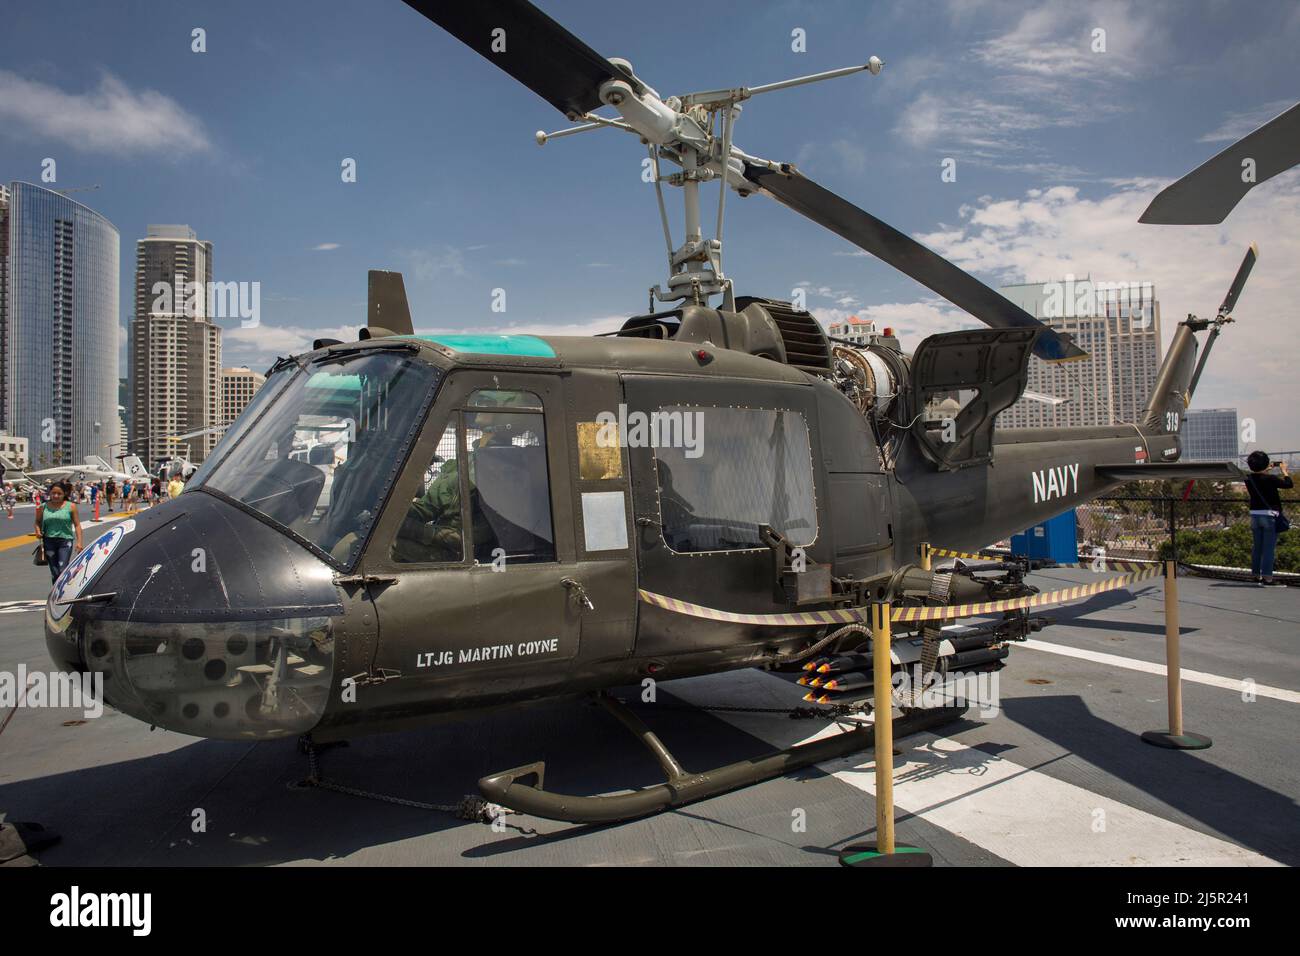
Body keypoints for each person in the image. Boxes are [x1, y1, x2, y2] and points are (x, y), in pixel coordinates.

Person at [1244, 450, 1292, 586]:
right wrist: (1284, 471)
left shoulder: (1248, 478)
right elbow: (1288, 484)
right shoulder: (1270, 479)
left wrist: (1265, 469)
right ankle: (1267, 578)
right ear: (1265, 464)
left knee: (1257, 547)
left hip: (1254, 515)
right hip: (1269, 517)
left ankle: (1255, 575)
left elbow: (1259, 478)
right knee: (1268, 548)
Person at [35, 481, 83, 583]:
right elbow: (37, 522)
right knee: (55, 572)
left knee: (62, 569)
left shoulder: (71, 506)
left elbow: (77, 525)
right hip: (49, 542)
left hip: (65, 541)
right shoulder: (43, 507)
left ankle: (64, 592)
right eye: (53, 493)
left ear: (64, 494)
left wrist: (79, 542)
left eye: (59, 494)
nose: (56, 496)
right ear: (50, 493)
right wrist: (38, 531)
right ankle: (56, 596)